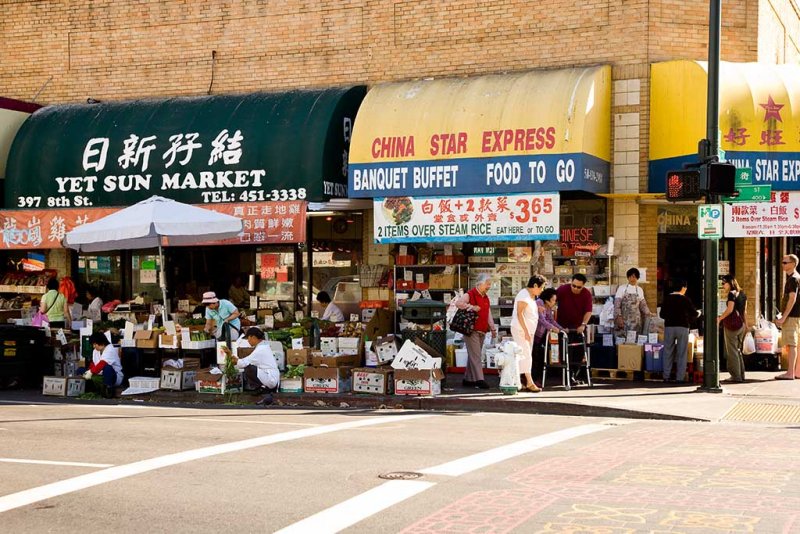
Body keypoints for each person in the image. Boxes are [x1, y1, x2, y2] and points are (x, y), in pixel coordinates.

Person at [455, 273, 497, 389]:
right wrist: (472, 307)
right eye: (487, 284)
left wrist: (492, 328)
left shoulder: (485, 297)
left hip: (482, 330)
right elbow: (458, 303)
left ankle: (468, 379)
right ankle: (479, 379)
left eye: (489, 284)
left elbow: (488, 313)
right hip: (471, 329)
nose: (489, 286)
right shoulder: (471, 294)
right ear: (480, 283)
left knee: (473, 355)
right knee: (476, 355)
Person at [510, 275, 546, 392]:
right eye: (541, 288)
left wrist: (537, 309)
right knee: (526, 356)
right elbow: (520, 314)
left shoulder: (530, 296)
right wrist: (526, 331)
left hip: (527, 331)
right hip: (521, 330)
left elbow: (527, 311)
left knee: (524, 355)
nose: (542, 290)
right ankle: (529, 382)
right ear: (535, 285)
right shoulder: (523, 295)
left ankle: (521, 381)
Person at [660, 278, 699, 383]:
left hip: (669, 327)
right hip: (682, 327)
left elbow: (662, 315)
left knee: (668, 351)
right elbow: (694, 313)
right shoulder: (685, 299)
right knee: (682, 352)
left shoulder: (667, 299)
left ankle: (666, 376)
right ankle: (680, 377)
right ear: (683, 288)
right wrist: (698, 313)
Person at [234, 327, 280, 406]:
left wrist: (234, 359)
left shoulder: (261, 349)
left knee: (248, 368)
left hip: (270, 379)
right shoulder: (263, 346)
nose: (248, 341)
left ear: (253, 337)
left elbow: (244, 363)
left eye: (248, 338)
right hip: (271, 377)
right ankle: (263, 388)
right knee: (250, 367)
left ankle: (262, 388)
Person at [717, 275, 747, 383]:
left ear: (730, 283)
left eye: (724, 283)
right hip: (741, 324)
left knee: (732, 351)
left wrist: (720, 318)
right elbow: (744, 311)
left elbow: (730, 310)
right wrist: (746, 325)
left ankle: (735, 376)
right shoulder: (742, 294)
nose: (722, 285)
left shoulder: (731, 294)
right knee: (738, 350)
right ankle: (741, 374)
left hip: (732, 325)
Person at [533, 287, 565, 386]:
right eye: (553, 300)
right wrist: (552, 328)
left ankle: (538, 378)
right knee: (534, 357)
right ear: (547, 299)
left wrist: (562, 329)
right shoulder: (539, 303)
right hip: (534, 334)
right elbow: (541, 320)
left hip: (541, 335)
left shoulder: (548, 306)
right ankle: (533, 379)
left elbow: (551, 320)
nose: (554, 302)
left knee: (540, 356)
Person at [775, 254, 800, 380]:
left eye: (785, 262)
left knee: (792, 344)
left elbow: (792, 299)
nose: (782, 264)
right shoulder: (796, 277)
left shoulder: (793, 279)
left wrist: (783, 317)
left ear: (793, 264)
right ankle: (797, 371)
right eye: (782, 262)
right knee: (796, 344)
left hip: (792, 316)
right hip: (797, 316)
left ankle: (790, 373)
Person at [80, 332, 123, 399]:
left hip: (113, 376)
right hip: (99, 375)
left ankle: (108, 391)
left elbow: (102, 363)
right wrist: (88, 370)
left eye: (95, 344)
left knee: (107, 368)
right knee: (81, 370)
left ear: (102, 343)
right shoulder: (95, 351)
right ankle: (92, 389)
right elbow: (94, 363)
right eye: (93, 344)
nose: (94, 346)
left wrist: (91, 372)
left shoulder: (110, 349)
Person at [614, 267, 653, 334]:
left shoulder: (639, 290)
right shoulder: (622, 288)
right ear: (628, 278)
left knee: (636, 340)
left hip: (636, 321)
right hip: (624, 320)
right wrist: (619, 317)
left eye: (634, 277)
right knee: (623, 340)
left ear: (637, 278)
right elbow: (617, 305)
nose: (632, 279)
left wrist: (649, 313)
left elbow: (643, 305)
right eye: (630, 277)